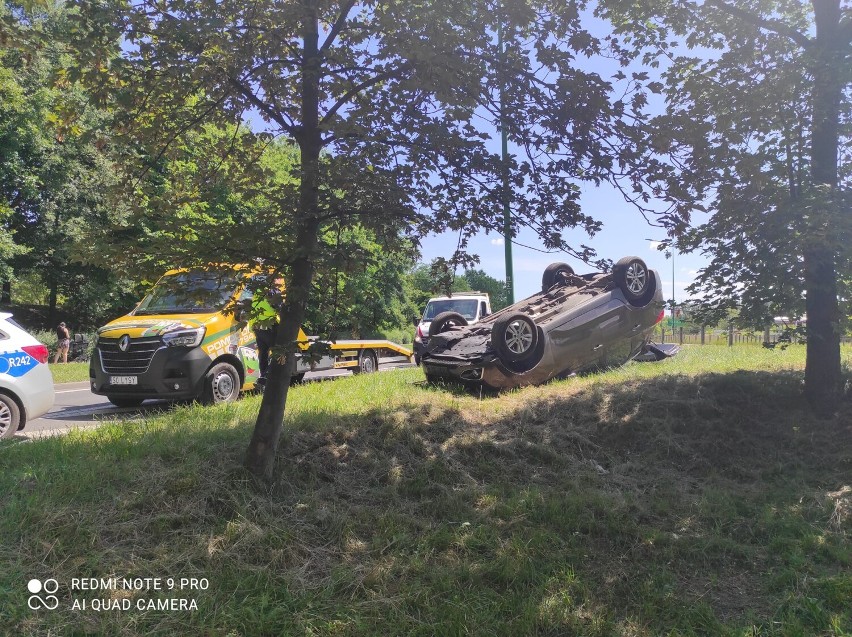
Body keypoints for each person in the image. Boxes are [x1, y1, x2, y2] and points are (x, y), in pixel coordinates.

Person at [251, 279, 283, 386]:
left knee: (263, 353)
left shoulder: (257, 292)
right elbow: (280, 309)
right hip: (270, 326)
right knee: (278, 352)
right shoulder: (273, 292)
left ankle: (262, 378)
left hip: (257, 327)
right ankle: (265, 377)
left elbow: (252, 309)